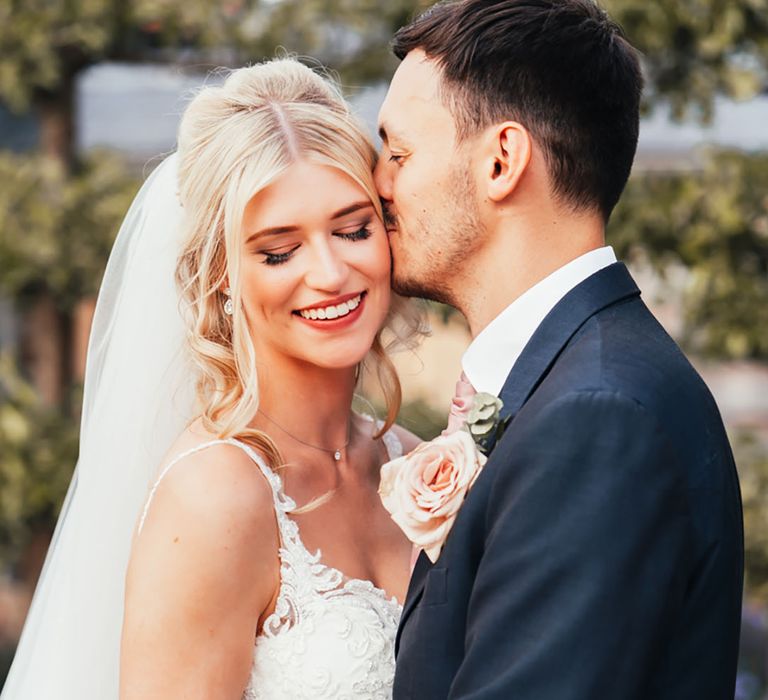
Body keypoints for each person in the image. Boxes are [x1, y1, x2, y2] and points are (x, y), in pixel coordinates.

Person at [2, 57, 424, 699]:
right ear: (223, 274)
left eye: (353, 229)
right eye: (279, 250)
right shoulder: (215, 498)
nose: (332, 272)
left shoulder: (419, 467)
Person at [375, 0, 744, 698]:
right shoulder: (569, 381)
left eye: (398, 152)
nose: (378, 185)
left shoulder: (597, 417)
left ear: (502, 161)